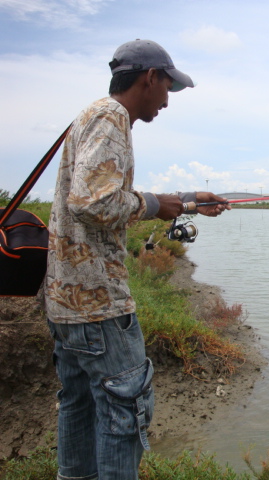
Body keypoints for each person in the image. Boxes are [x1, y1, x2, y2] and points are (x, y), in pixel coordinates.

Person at [44, 39, 230, 480]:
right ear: (150, 77)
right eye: (168, 87)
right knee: (124, 409)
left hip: (67, 304)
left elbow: (106, 194)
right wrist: (155, 204)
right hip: (99, 304)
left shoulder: (91, 114)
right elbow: (93, 202)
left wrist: (184, 201)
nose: (168, 100)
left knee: (78, 403)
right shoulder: (112, 118)